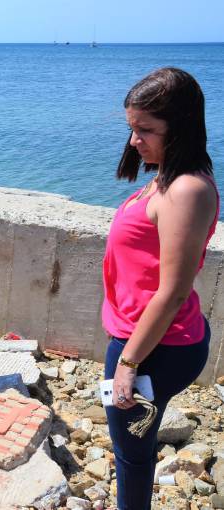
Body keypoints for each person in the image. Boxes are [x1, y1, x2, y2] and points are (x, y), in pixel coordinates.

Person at [101, 67, 218, 509]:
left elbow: (170, 292)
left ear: (181, 127)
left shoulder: (186, 189)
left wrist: (128, 362)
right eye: (132, 129)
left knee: (131, 456)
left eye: (146, 130)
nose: (135, 142)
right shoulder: (165, 176)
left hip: (152, 347)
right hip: (146, 338)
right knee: (136, 446)